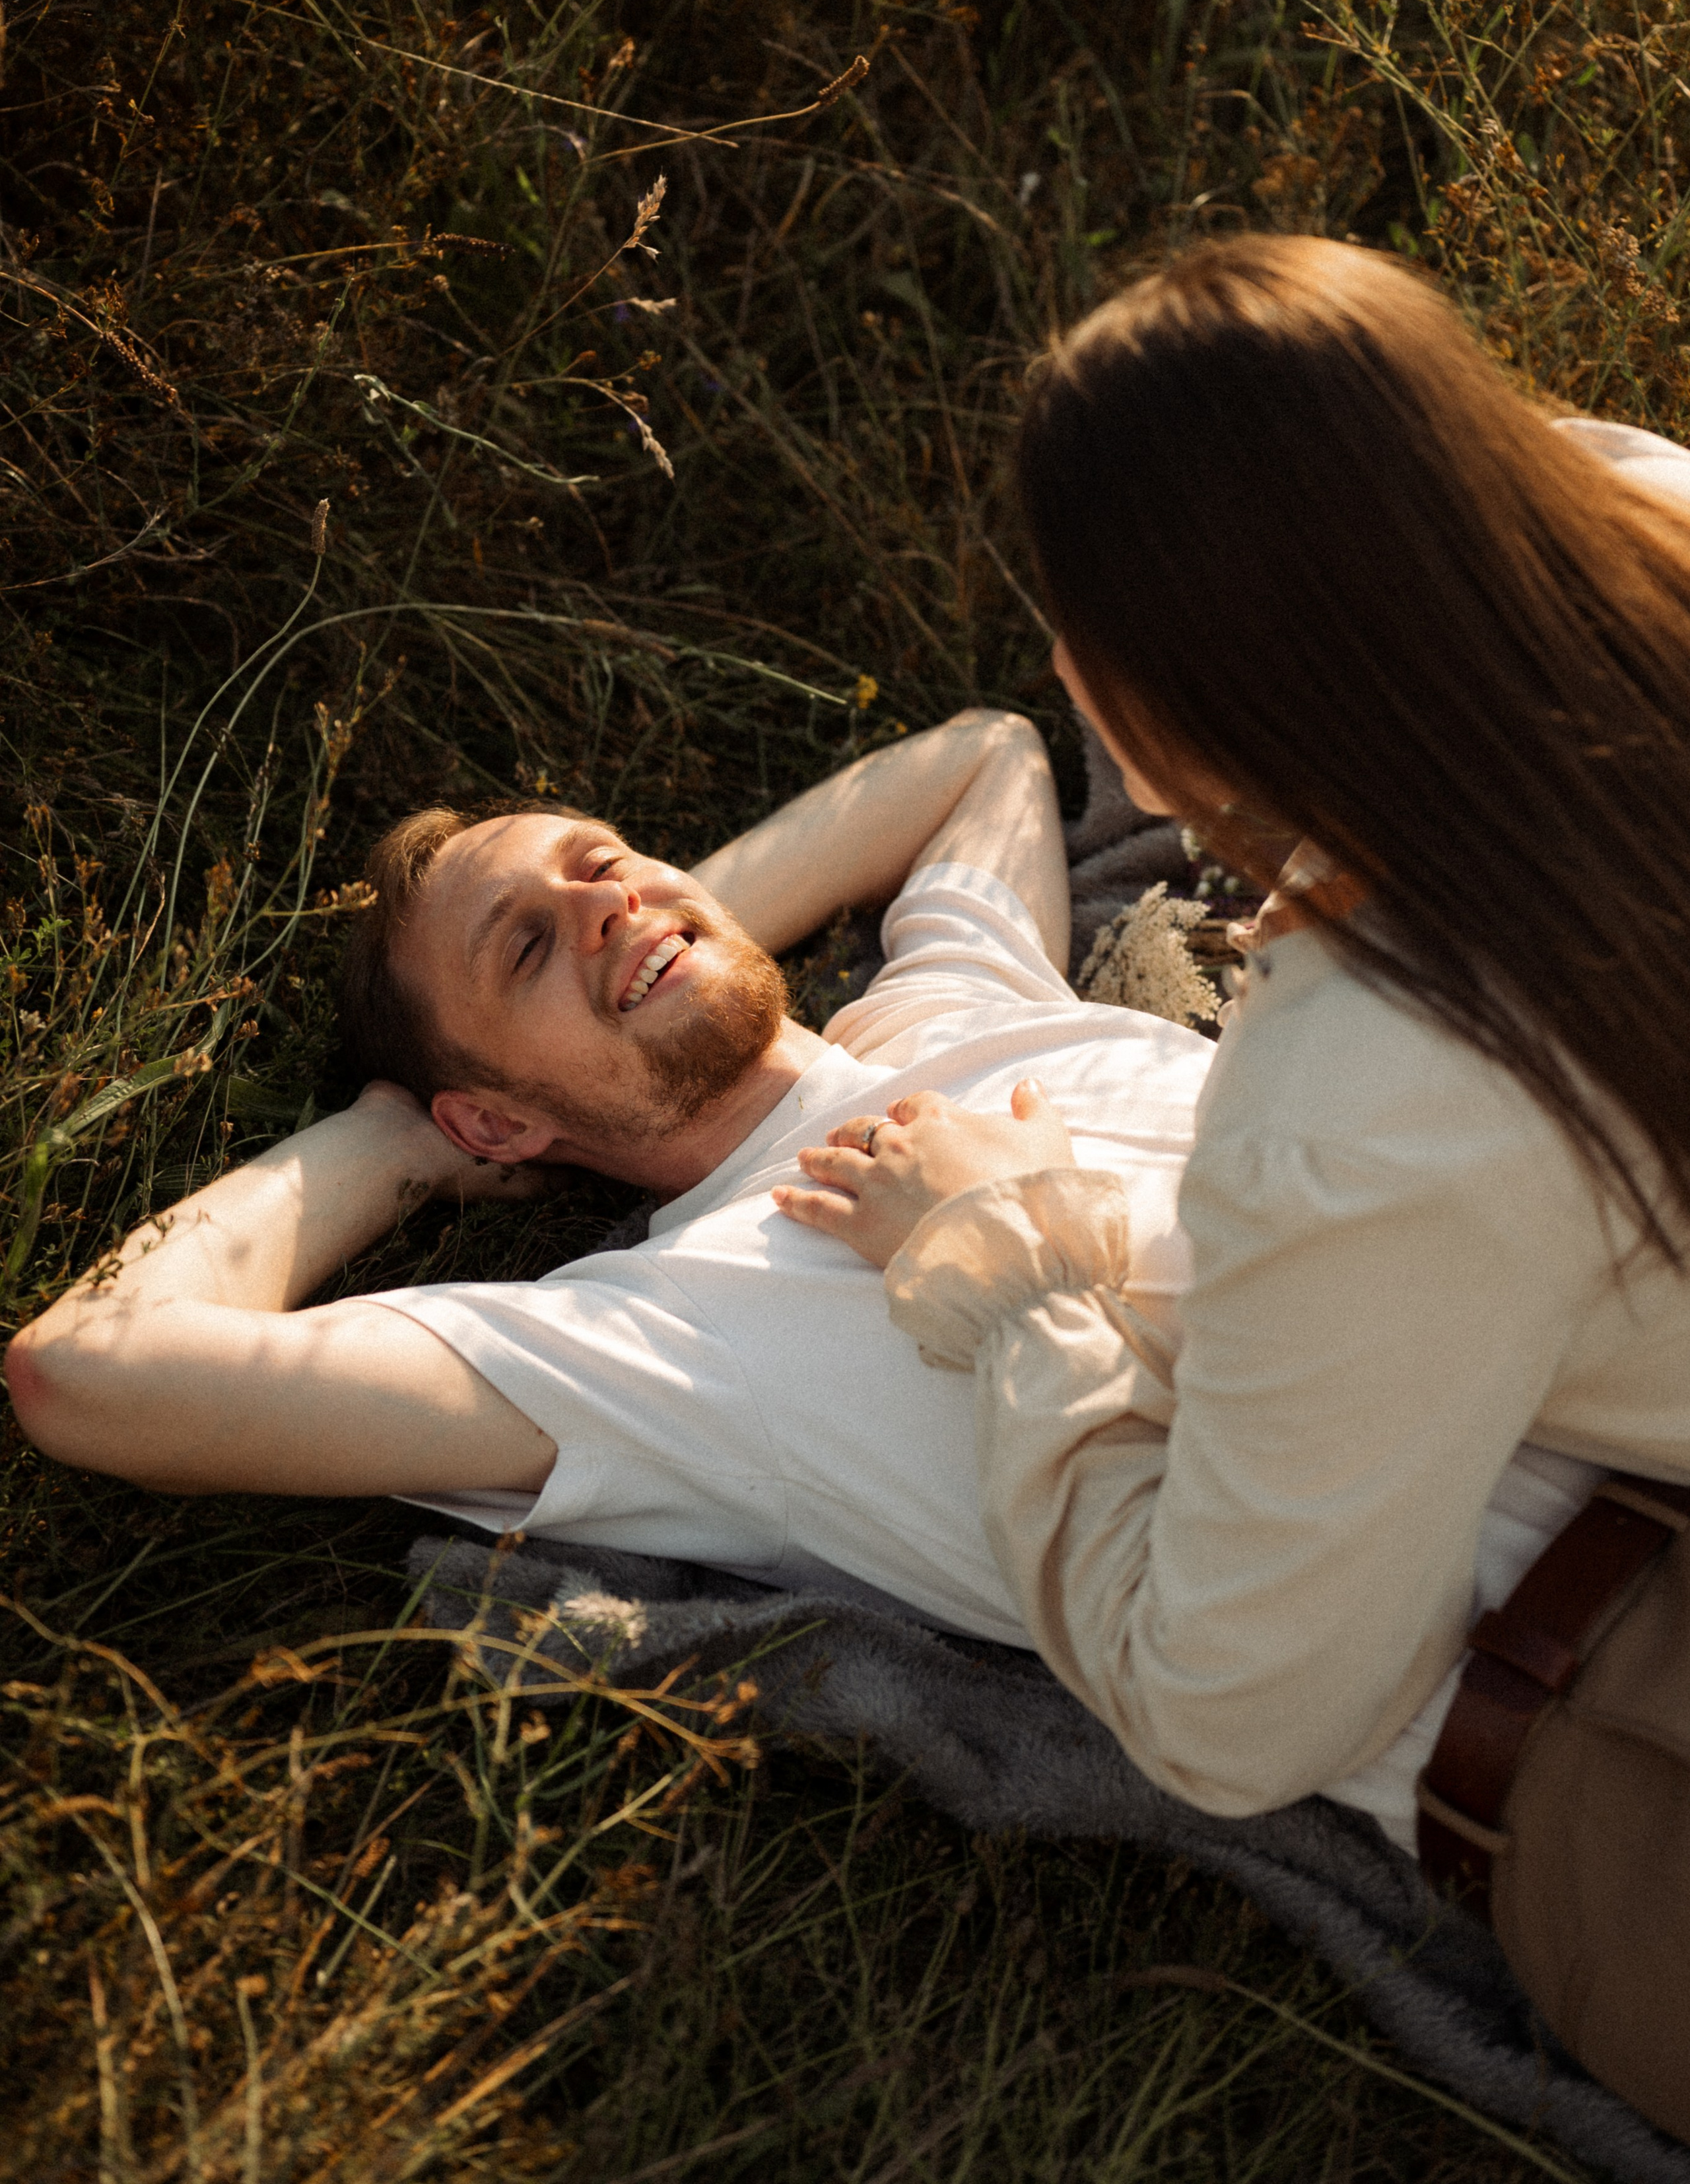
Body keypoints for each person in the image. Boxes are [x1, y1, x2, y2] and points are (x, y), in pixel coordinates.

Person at [774, 232, 1690, 1849]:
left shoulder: (1374, 1095)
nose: (1052, 666)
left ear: (1168, 708)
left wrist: (1014, 1278)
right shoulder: (1636, 499)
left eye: (1065, 624)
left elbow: (1236, 1710)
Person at [3, 708, 1214, 1653]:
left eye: (607, 860)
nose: (601, 901)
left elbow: (981, 757)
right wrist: (398, 1144)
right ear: (497, 1117)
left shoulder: (955, 999)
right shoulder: (664, 1340)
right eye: (525, 946)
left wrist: (659, 929)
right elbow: (84, 1371)